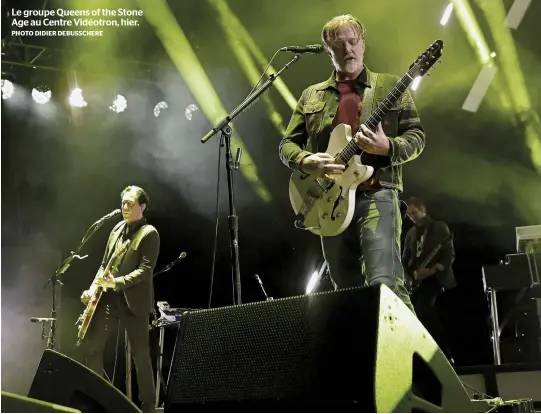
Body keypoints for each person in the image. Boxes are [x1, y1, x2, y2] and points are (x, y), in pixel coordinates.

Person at [279, 14, 425, 311]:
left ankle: (410, 356)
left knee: (384, 282)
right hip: (329, 201)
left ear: (363, 44)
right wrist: (308, 160)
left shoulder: (390, 86)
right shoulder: (311, 95)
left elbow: (417, 137)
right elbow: (286, 146)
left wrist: (388, 146)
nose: (348, 49)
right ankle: (359, 354)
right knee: (344, 291)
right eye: (339, 44)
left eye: (353, 41)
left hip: (377, 193)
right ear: (327, 49)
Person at [80, 185, 159, 412]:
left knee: (140, 357)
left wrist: (118, 282)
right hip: (109, 301)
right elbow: (104, 265)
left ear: (142, 206)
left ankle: (148, 408)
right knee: (93, 347)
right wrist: (92, 288)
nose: (125, 207)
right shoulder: (116, 229)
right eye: (123, 203)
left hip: (134, 303)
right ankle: (98, 401)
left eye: (130, 204)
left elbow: (145, 270)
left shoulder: (149, 233)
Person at [403, 197, 456, 360]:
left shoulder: (439, 227)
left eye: (414, 212)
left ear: (423, 210)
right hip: (415, 281)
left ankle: (443, 353)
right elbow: (405, 258)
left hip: (434, 279)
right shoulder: (410, 233)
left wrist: (432, 270)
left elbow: (449, 255)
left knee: (425, 308)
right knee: (412, 314)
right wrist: (407, 275)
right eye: (409, 213)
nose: (411, 216)